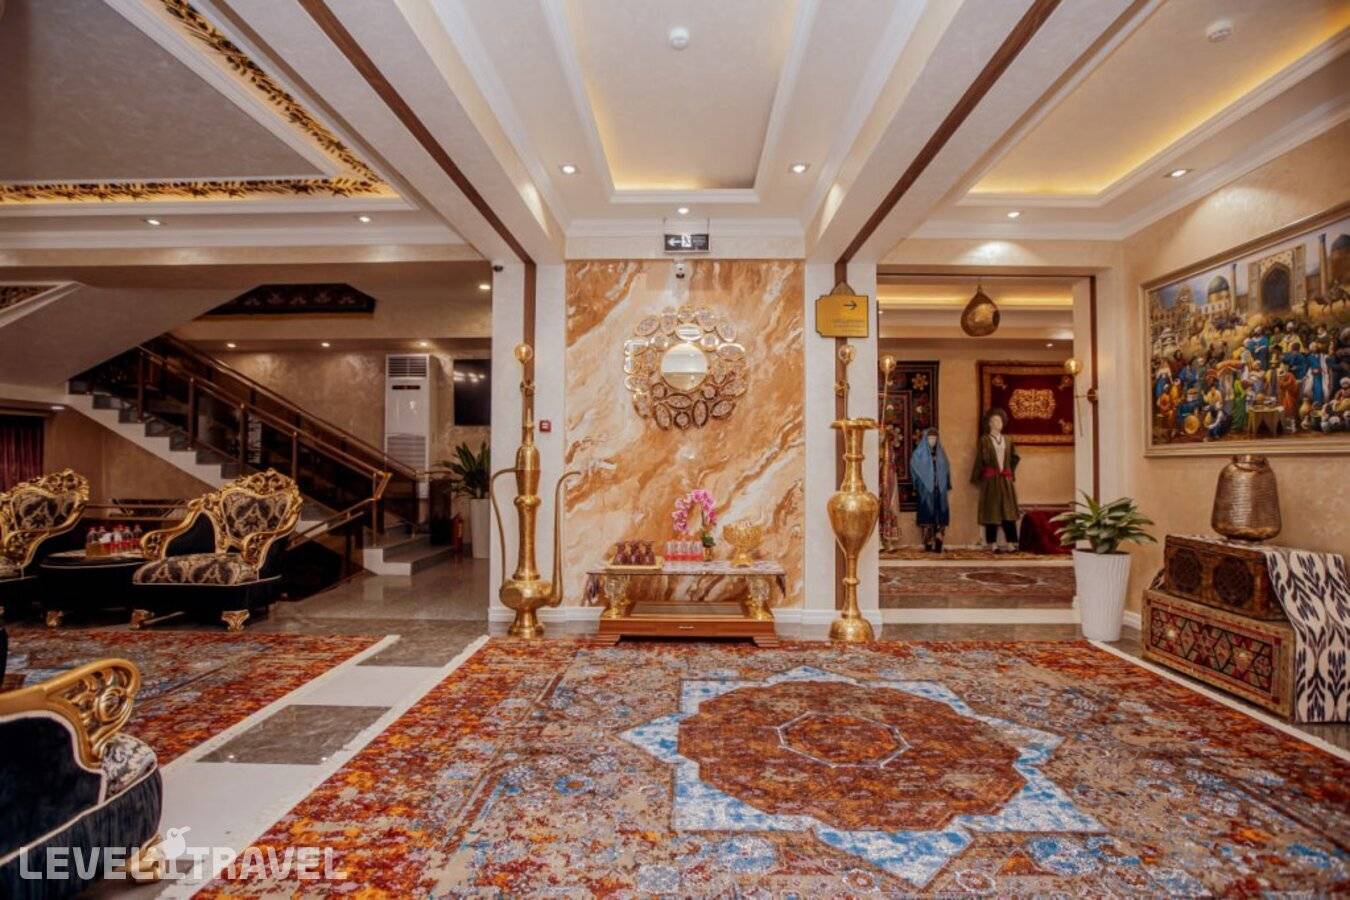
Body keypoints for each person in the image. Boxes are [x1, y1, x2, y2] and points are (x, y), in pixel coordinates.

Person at [970, 408, 1020, 552]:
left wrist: (1010, 472)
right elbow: (980, 460)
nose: (999, 423)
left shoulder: (1008, 440)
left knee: (1008, 511)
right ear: (990, 423)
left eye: (1000, 421)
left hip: (1005, 480)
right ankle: (992, 543)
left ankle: (1011, 543)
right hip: (991, 480)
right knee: (991, 511)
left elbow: (1014, 457)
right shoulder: (984, 440)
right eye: (996, 421)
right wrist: (977, 478)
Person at [909, 428, 951, 552]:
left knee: (941, 512)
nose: (932, 441)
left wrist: (946, 483)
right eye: (930, 438)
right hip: (925, 490)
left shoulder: (941, 454)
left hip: (940, 489)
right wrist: (918, 484)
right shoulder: (918, 454)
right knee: (927, 512)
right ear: (925, 439)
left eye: (934, 438)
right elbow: (914, 470)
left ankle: (939, 539)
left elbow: (946, 470)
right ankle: (928, 541)